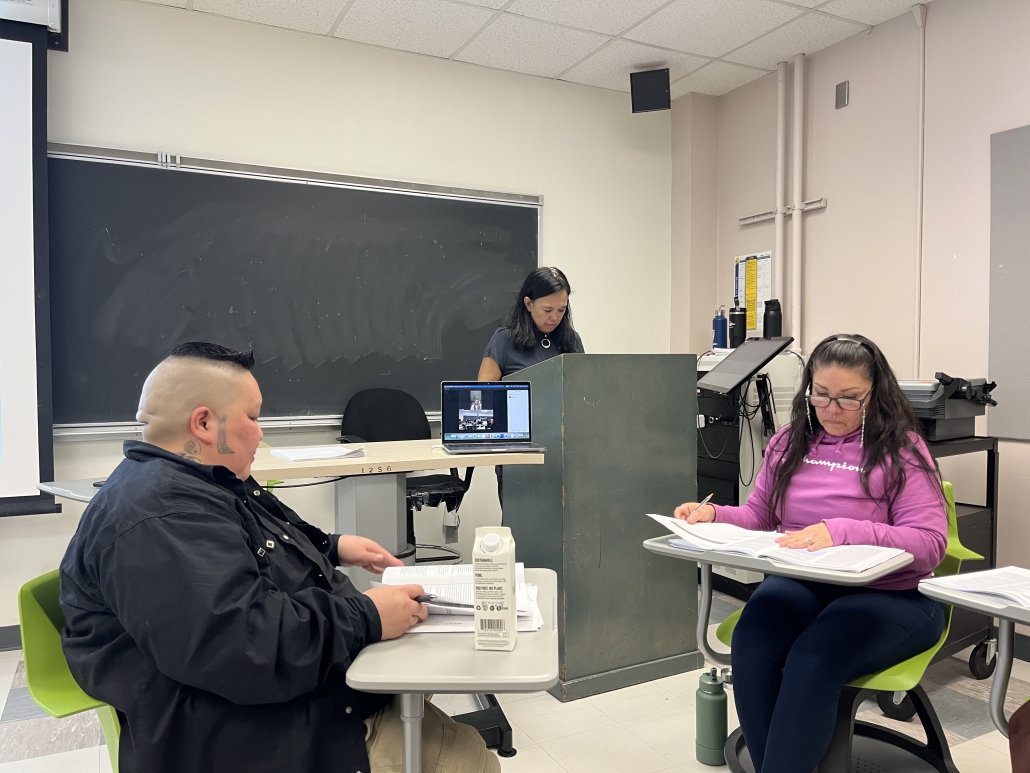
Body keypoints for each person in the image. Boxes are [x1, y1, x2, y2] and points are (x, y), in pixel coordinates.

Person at [59, 342, 500, 773]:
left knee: (421, 674)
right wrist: (366, 617)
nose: (261, 431)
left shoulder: (202, 482)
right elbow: (247, 646)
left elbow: (262, 537)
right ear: (205, 424)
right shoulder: (161, 514)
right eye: (253, 417)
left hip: (297, 689)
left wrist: (333, 544)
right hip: (260, 729)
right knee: (474, 761)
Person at [674, 334, 947, 773]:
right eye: (821, 395)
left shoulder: (902, 450)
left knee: (812, 659)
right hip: (805, 582)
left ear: (875, 394)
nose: (832, 409)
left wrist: (843, 530)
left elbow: (930, 545)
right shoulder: (788, 442)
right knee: (753, 642)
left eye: (848, 399)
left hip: (892, 595)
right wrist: (713, 515)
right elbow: (760, 516)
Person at [477, 266, 584, 382]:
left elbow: (583, 390)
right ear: (528, 304)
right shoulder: (504, 340)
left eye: (561, 310)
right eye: (547, 310)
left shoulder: (572, 341)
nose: (555, 318)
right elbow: (484, 394)